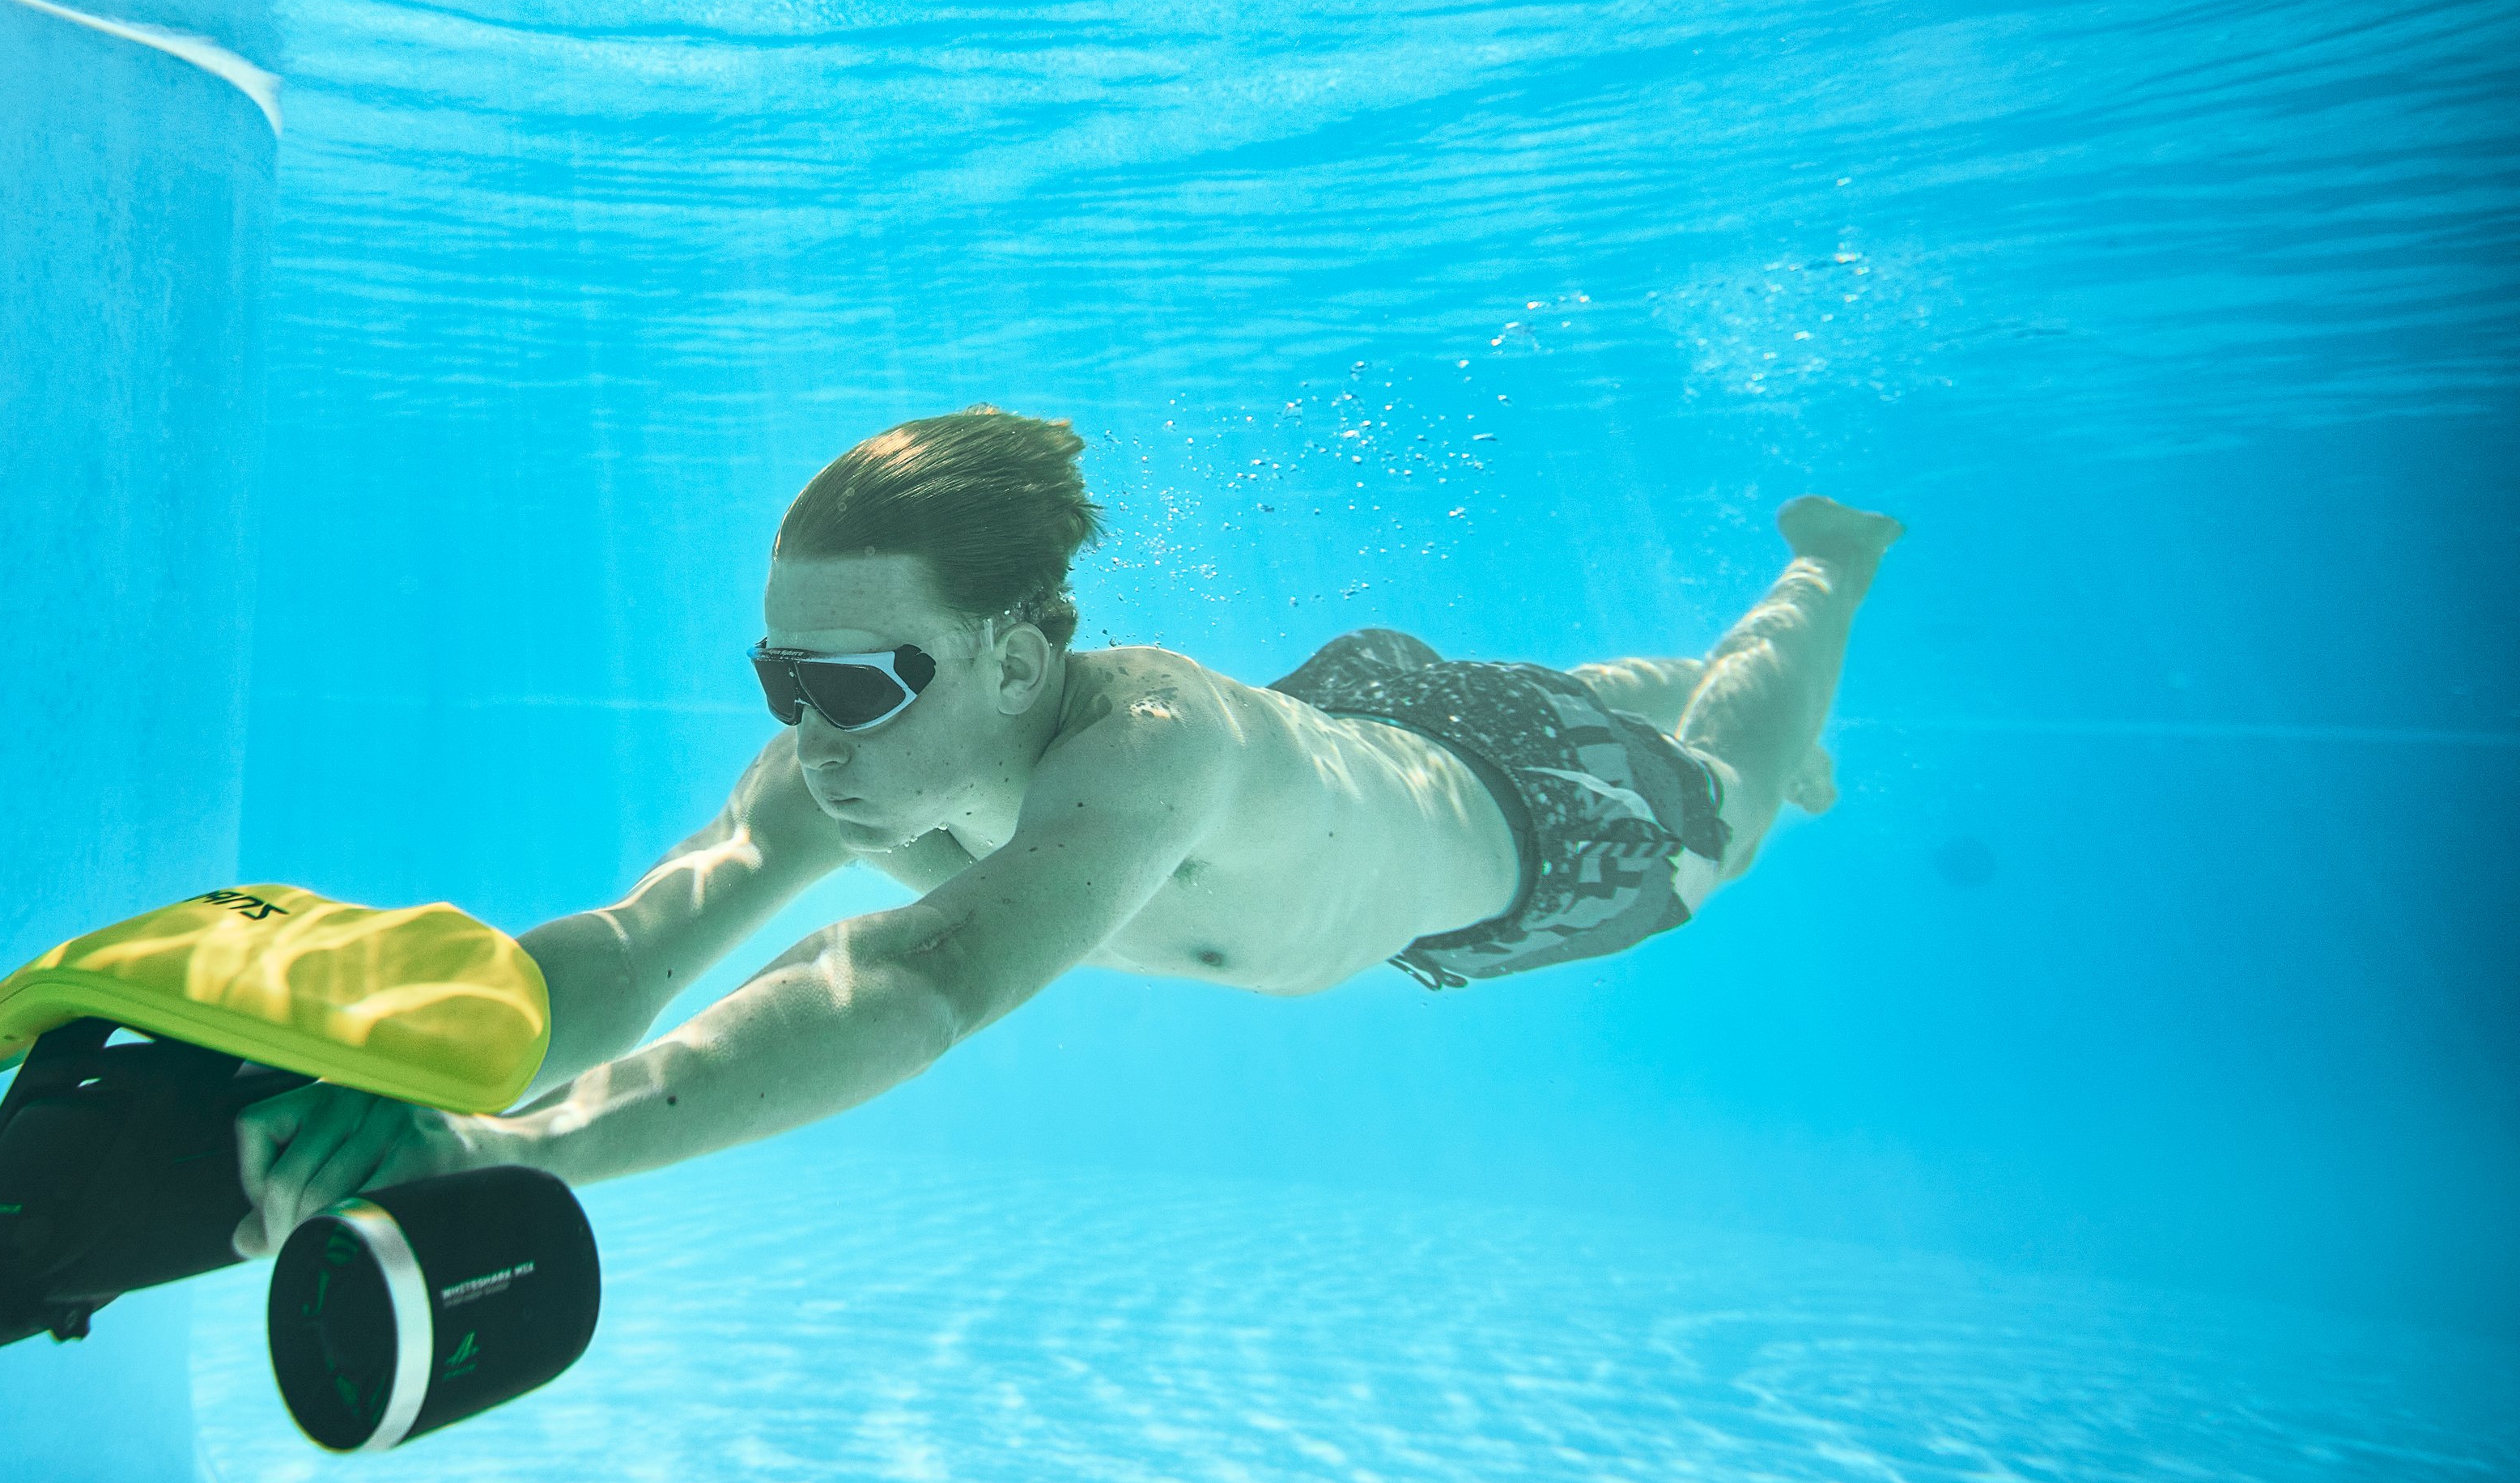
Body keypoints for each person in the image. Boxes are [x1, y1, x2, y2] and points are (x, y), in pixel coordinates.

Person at [231, 406, 1901, 1256]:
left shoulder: (1139, 756)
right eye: (774, 676)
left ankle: (1818, 574)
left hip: (1536, 846)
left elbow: (908, 981)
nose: (802, 730)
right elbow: (640, 935)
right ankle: (1673, 675)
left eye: (852, 680)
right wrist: (422, 1064)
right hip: (1369, 716)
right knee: (1529, 691)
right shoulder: (836, 767)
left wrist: (522, 1157)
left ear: (1019, 659)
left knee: (1724, 816)